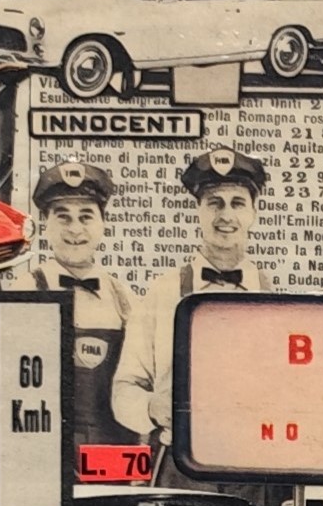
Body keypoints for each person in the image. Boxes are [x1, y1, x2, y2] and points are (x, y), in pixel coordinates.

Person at [112, 147, 275, 468]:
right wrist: (151, 407)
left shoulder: (273, 295)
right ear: (198, 211)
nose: (225, 215)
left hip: (254, 463)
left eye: (237, 203)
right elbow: (124, 390)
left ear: (253, 213)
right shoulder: (162, 293)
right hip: (181, 461)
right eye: (214, 203)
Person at [18, 161, 139, 448]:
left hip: (112, 445)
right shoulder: (26, 289)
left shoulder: (124, 297)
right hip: (48, 445)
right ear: (46, 224)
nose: (75, 229)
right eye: (63, 217)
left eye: (86, 217)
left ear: (102, 224)